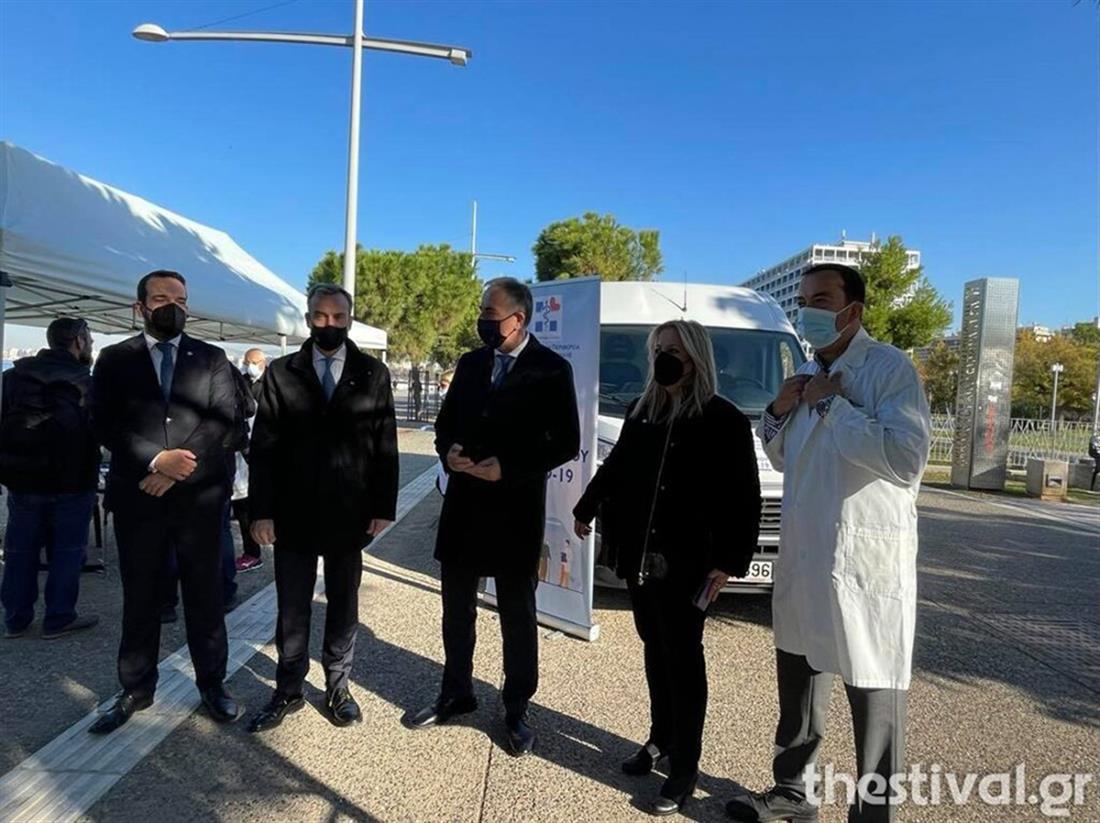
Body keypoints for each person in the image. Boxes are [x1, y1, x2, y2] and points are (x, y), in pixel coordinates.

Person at [726, 264, 931, 823]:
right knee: (798, 675)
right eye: (803, 299)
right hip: (805, 551)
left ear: (852, 310)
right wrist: (779, 409)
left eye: (821, 299)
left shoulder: (888, 368)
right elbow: (780, 455)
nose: (807, 310)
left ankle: (873, 813)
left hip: (862, 558)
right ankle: (792, 793)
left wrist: (829, 405)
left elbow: (905, 458)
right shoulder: (806, 372)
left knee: (873, 687)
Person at [572, 319, 761, 816]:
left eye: (674, 350)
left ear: (696, 357)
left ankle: (685, 766)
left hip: (689, 562)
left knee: (683, 658)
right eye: (658, 349)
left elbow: (744, 498)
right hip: (640, 554)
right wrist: (587, 505)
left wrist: (729, 562)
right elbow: (618, 467)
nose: (664, 358)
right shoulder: (643, 410)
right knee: (654, 648)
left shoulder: (723, 419)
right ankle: (661, 738)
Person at [404, 278, 580, 758]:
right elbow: (445, 425)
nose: (481, 318)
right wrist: (448, 451)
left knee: (517, 617)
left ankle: (516, 707)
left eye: (489, 311)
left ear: (517, 319)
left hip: (514, 511)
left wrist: (509, 467)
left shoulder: (551, 368)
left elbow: (565, 441)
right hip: (464, 507)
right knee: (456, 610)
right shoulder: (471, 363)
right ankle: (455, 692)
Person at [89, 270, 241, 735]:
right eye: (160, 298)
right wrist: (156, 460)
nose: (172, 306)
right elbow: (103, 421)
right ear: (139, 307)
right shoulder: (115, 358)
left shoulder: (212, 357)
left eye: (180, 299)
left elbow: (223, 422)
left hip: (199, 500)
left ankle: (212, 683)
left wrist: (176, 469)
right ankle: (136, 688)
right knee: (141, 597)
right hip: (139, 497)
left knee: (205, 597)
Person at [246, 284, 398, 733]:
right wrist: (260, 511)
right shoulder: (281, 372)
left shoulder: (373, 373)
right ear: (308, 318)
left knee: (344, 603)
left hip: (350, 511)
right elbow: (264, 446)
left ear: (349, 319)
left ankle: (338, 686)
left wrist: (383, 506)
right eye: (320, 316)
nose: (329, 324)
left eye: (338, 317)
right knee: (292, 607)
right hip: (292, 511)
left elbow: (385, 443)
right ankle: (288, 688)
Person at [0, 318, 100, 639]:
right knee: (67, 551)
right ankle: (58, 617)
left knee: (20, 550)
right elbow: (100, 430)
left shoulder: (13, 377)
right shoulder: (87, 382)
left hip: (23, 479)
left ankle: (16, 618)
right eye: (90, 339)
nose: (92, 344)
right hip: (74, 481)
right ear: (79, 341)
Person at [234, 349, 267, 572]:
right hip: (242, 453)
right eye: (247, 362)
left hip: (262, 452)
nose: (250, 366)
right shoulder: (241, 380)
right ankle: (252, 552)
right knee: (242, 507)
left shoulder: (272, 382)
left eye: (254, 362)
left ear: (263, 362)